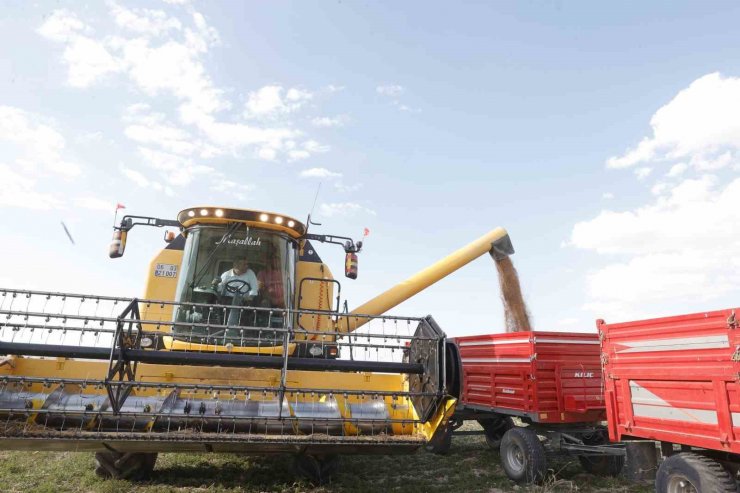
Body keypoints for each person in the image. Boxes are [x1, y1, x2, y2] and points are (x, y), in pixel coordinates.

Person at [213, 255, 259, 327]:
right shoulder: (226, 275)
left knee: (248, 310)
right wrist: (215, 284)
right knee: (222, 307)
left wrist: (250, 297)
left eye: (247, 264)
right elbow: (220, 288)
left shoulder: (250, 273)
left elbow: (254, 288)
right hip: (228, 299)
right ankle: (223, 325)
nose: (247, 266)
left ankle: (243, 328)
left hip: (244, 300)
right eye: (244, 264)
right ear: (236, 265)